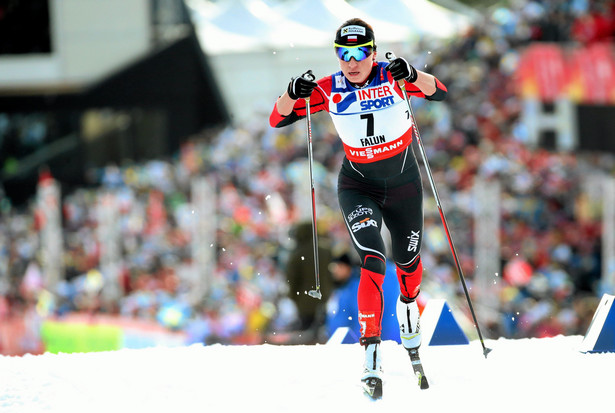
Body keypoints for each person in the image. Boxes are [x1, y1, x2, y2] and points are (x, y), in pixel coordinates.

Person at [269, 17, 447, 394]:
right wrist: (291, 90)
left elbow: (439, 91)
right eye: (344, 54)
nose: (352, 62)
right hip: (358, 186)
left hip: (403, 186)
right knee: (373, 259)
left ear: (372, 51)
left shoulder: (391, 74)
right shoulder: (329, 88)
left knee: (409, 266)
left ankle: (409, 308)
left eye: (360, 53)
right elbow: (278, 118)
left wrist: (413, 73)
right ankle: (371, 354)